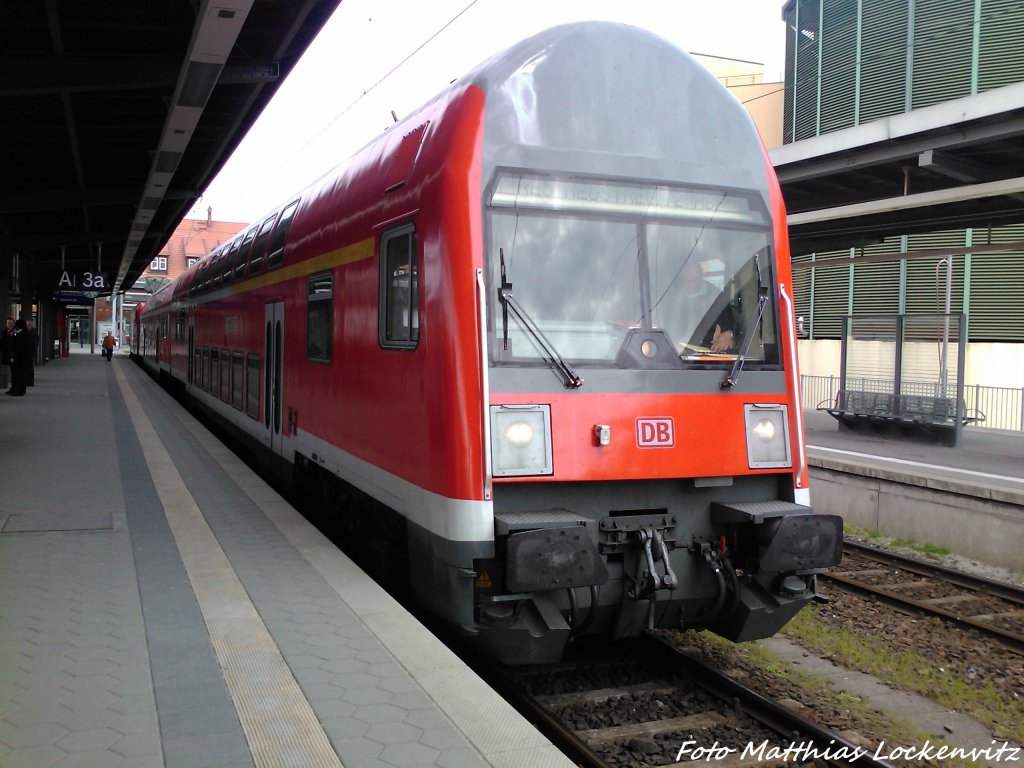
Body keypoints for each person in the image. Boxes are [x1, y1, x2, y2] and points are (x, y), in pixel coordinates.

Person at [678, 259, 735, 353]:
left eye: (695, 280)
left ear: (701, 274)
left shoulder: (715, 295)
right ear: (681, 278)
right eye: (688, 281)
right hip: (674, 352)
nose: (692, 285)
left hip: (704, 354)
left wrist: (728, 334)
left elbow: (730, 322)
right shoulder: (671, 296)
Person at [7, 318, 31, 396]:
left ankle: (19, 390)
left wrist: (13, 354)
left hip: (18, 357)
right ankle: (17, 389)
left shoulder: (19, 333)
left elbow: (16, 345)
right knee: (17, 374)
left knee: (18, 374)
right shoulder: (24, 333)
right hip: (21, 357)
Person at [2, 317, 14, 392]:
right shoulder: (4, 332)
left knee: (14, 371)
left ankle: (14, 387)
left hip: (13, 354)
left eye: (11, 323)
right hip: (7, 353)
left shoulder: (16, 332)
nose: (9, 324)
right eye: (8, 323)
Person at [25, 319, 37, 386]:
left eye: (28, 325)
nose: (27, 326)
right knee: (28, 368)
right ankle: (28, 381)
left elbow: (34, 344)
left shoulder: (33, 333)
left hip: (30, 353)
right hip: (28, 353)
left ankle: (30, 382)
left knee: (29, 368)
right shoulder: (28, 332)